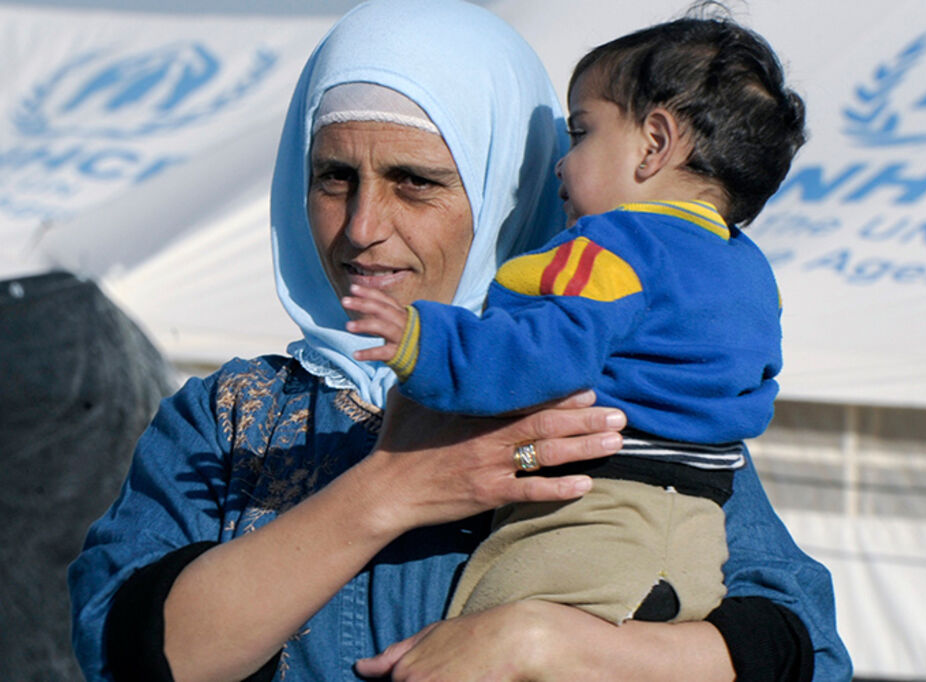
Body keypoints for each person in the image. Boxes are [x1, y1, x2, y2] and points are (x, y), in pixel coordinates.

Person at [68, 2, 852, 681]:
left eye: (416, 181)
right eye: (334, 177)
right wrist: (388, 491)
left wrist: (544, 640)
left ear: (512, 183)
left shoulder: (614, 399)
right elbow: (132, 654)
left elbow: (797, 648)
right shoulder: (232, 419)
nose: (364, 229)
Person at [343, 15, 805, 629]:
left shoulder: (614, 248)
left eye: (581, 133)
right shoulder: (749, 273)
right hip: (698, 537)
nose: (561, 164)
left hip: (589, 526)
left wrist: (425, 342)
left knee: (473, 652)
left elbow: (542, 355)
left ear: (655, 144)